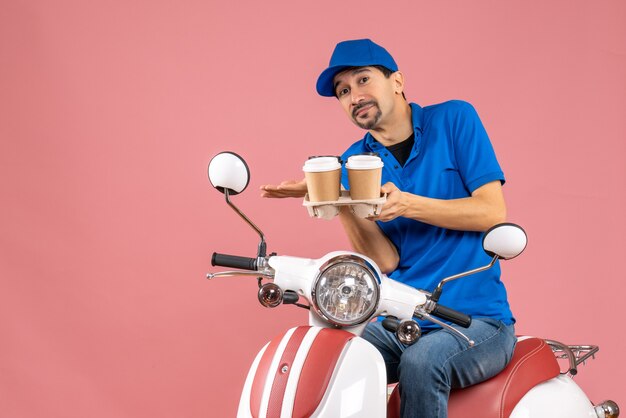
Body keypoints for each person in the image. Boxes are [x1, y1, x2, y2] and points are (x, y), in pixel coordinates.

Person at [261, 38, 516, 418]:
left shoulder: (454, 120)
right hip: (401, 317)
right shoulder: (354, 160)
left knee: (423, 362)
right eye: (343, 91)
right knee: (331, 356)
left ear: (397, 81)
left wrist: (408, 204)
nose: (353, 96)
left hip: (477, 320)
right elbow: (385, 259)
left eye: (363, 80)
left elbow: (491, 212)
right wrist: (340, 198)